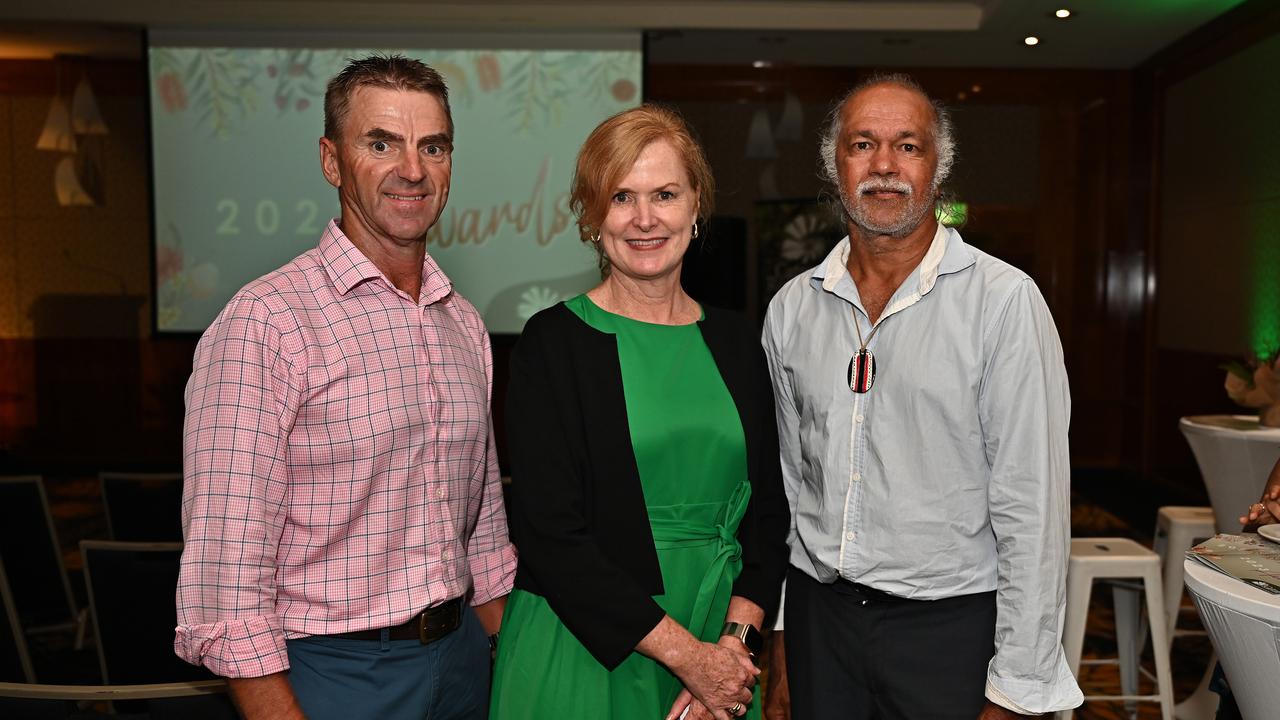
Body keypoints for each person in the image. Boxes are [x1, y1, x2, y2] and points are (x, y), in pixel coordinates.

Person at [174, 55, 515, 720]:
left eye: (432, 146)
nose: (411, 169)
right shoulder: (266, 322)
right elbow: (225, 584)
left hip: (462, 663)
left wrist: (513, 663)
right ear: (332, 161)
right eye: (380, 143)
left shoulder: (464, 323)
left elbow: (483, 535)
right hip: (334, 674)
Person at [761, 73, 1083, 719]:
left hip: (950, 635)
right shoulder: (792, 310)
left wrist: (1018, 687)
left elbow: (1034, 509)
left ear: (939, 167)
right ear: (835, 168)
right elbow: (797, 493)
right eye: (862, 145)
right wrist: (785, 637)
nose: (884, 166)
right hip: (823, 627)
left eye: (908, 146)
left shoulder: (1003, 303)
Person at [490, 105, 789, 720]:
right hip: (585, 649)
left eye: (665, 194)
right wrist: (691, 659)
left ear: (696, 204)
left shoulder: (737, 341)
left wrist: (730, 653)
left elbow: (767, 518)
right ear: (592, 214)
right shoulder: (553, 342)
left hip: (721, 648)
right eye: (621, 196)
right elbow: (550, 533)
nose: (645, 218)